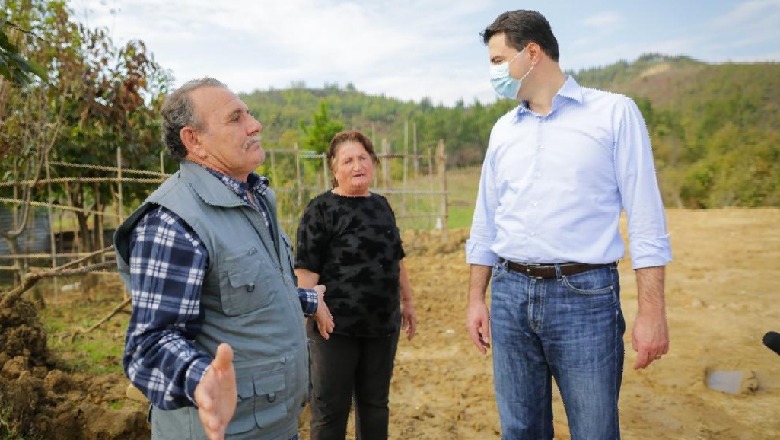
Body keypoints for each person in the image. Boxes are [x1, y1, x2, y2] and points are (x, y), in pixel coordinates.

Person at [465, 10, 672, 440]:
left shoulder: (614, 114)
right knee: (520, 430)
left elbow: (647, 219)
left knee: (594, 430)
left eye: (499, 60)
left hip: (584, 299)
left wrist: (652, 311)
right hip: (509, 294)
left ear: (533, 53)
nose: (494, 72)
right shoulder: (503, 131)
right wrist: (476, 298)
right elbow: (485, 219)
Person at [113, 77, 331, 440]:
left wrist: (308, 299)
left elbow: (251, 290)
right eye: (235, 118)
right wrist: (201, 379)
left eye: (249, 113)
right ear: (193, 140)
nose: (255, 124)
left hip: (272, 425)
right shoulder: (173, 221)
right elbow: (148, 346)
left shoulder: (254, 198)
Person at [294, 130, 417, 440]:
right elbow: (306, 272)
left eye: (363, 158)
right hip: (333, 328)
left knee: (375, 405)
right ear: (334, 169)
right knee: (330, 410)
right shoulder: (320, 210)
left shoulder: (381, 206)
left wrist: (408, 303)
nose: (357, 165)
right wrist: (309, 315)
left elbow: (396, 258)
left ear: (373, 163)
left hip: (382, 326)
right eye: (347, 160)